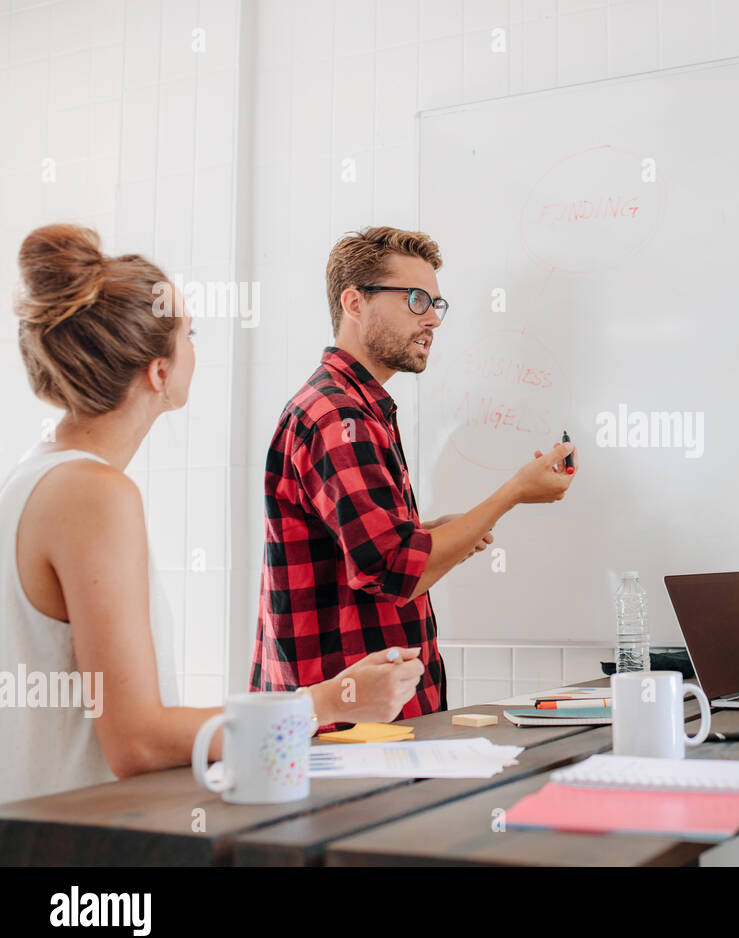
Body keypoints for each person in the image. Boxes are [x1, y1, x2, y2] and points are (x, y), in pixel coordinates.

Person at [0, 224, 425, 804]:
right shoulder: (94, 494)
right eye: (190, 335)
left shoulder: (37, 476)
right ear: (158, 371)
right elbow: (137, 742)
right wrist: (333, 698)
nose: (196, 350)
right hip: (85, 837)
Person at [249, 227, 576, 718]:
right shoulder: (339, 417)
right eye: (416, 300)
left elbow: (365, 555)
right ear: (355, 303)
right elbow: (399, 571)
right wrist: (513, 493)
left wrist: (429, 533)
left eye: (436, 305)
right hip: (349, 734)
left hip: (366, 728)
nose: (432, 320)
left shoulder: (356, 407)